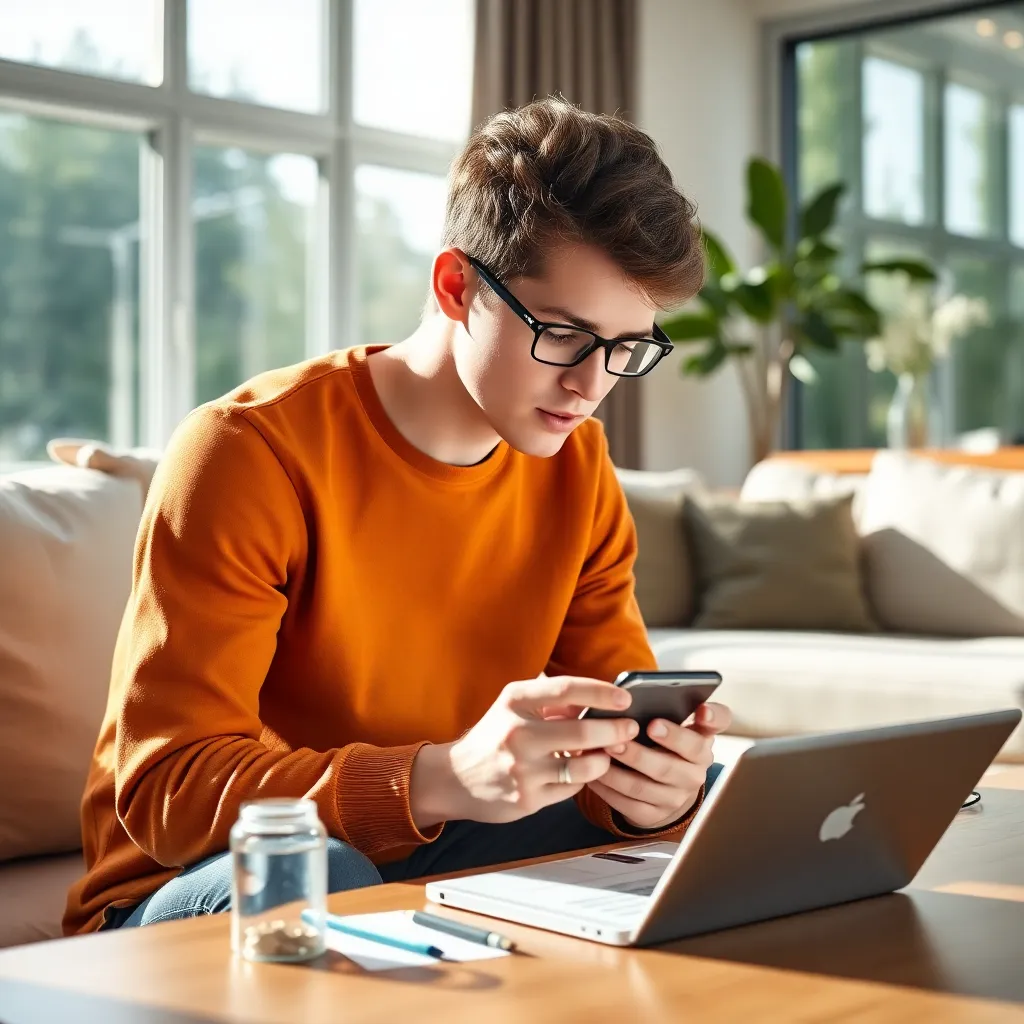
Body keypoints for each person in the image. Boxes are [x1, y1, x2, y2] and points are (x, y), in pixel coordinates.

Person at [64, 96, 732, 935]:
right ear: (457, 286)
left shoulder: (580, 467)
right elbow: (167, 791)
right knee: (320, 869)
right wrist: (440, 777)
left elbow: (609, 736)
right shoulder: (246, 450)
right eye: (563, 334)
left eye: (626, 347)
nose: (591, 384)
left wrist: (650, 790)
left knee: (717, 802)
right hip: (190, 881)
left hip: (441, 843)